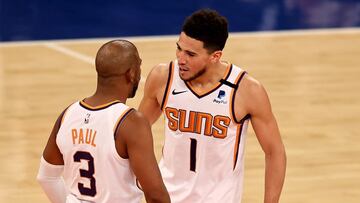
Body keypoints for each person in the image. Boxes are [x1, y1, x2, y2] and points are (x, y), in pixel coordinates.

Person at [138, 9, 286, 203]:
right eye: (179, 48)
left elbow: (275, 153)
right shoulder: (163, 77)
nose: (181, 59)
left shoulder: (246, 90)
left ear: (215, 56)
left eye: (191, 54)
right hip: (167, 197)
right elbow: (135, 132)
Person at [37, 40, 170, 203]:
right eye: (139, 66)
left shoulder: (67, 114)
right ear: (132, 73)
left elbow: (46, 177)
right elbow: (156, 195)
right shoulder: (131, 122)